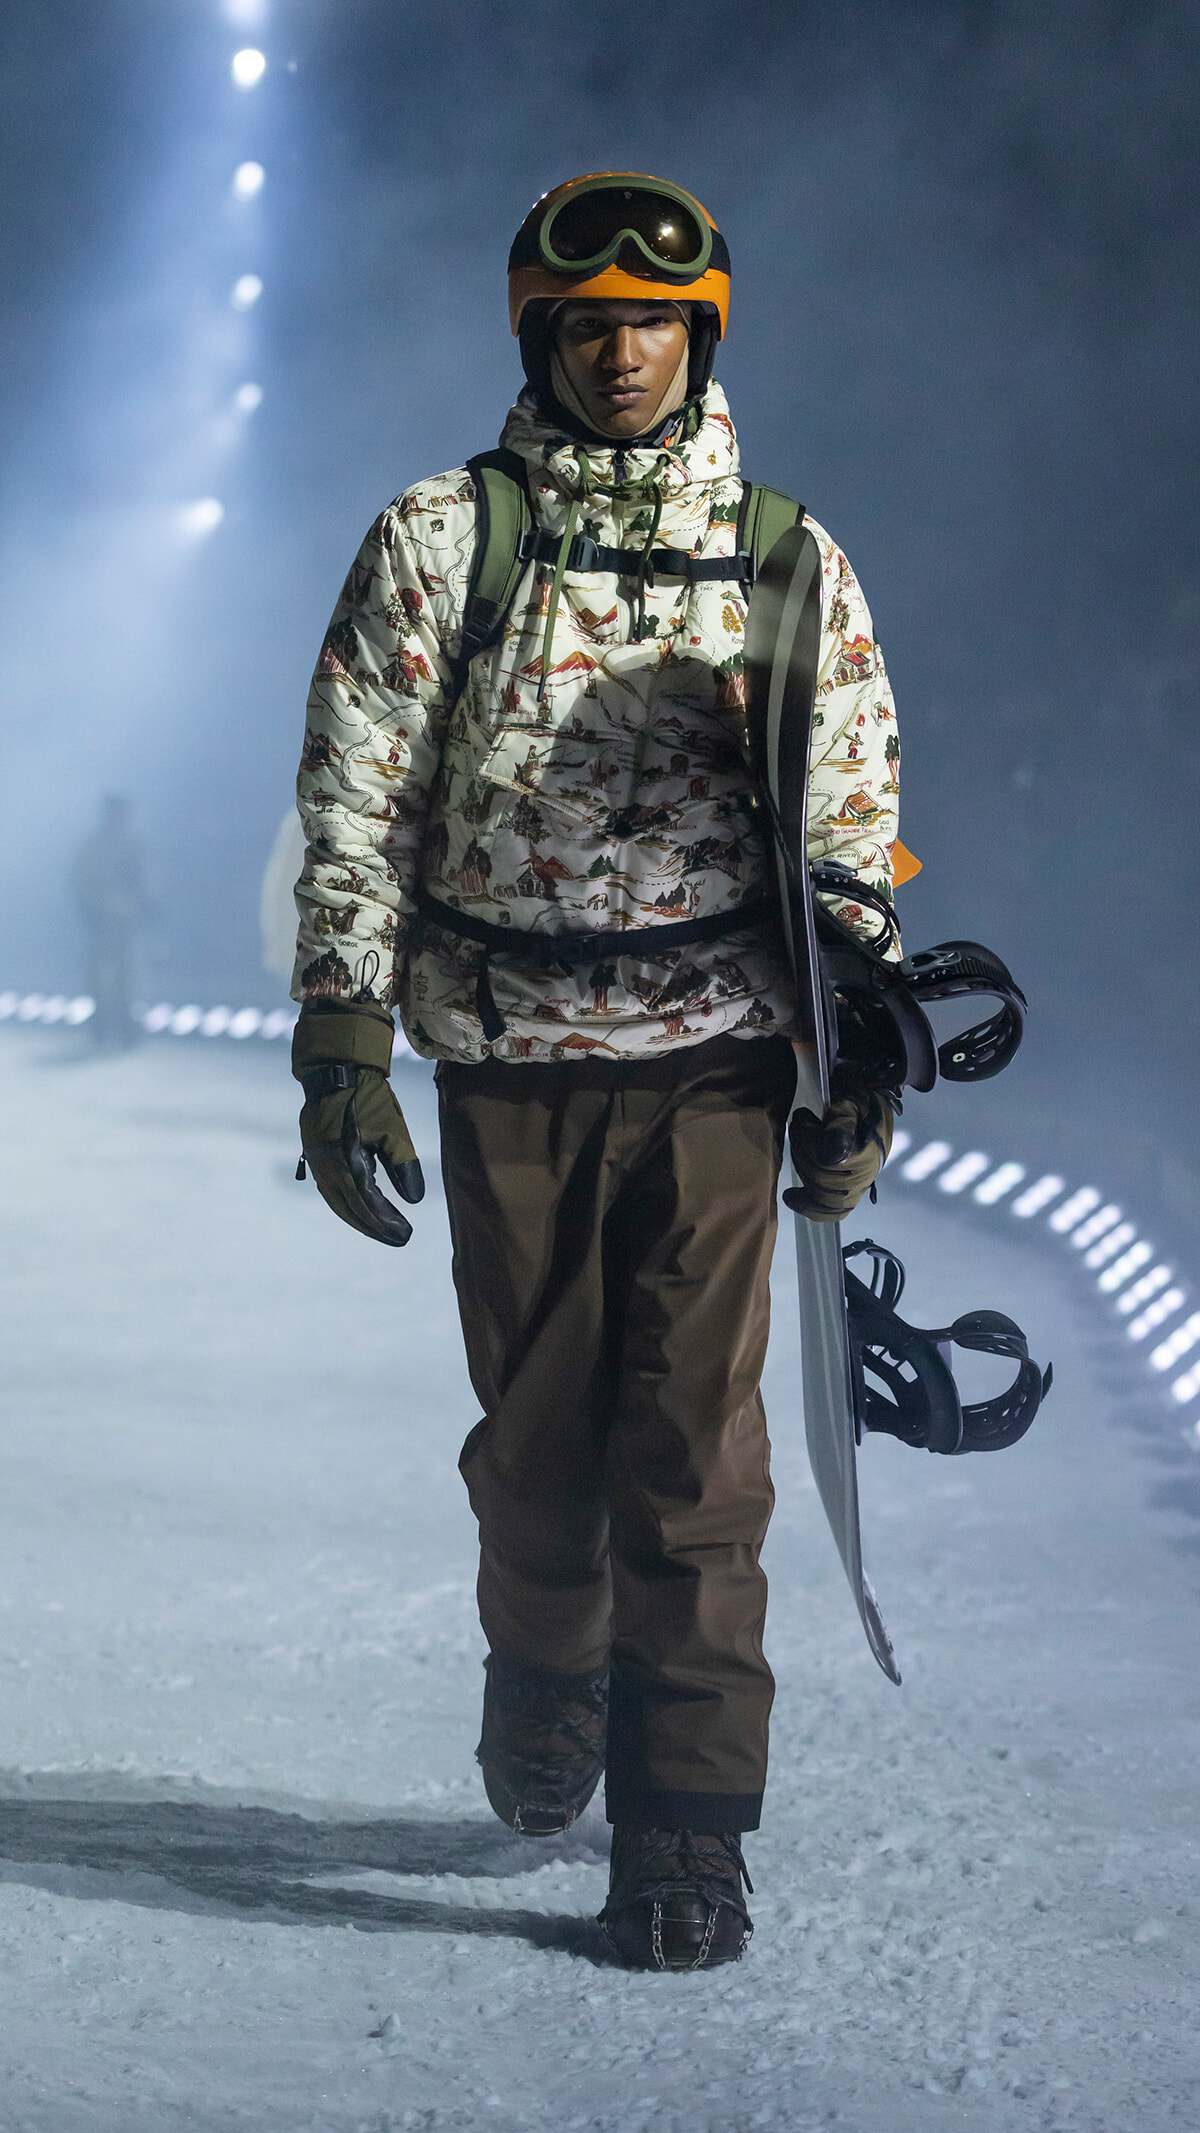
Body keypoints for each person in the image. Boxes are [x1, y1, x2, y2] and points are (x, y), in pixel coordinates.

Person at [290, 174, 899, 1971]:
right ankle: (544, 1662)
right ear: (538, 337)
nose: (620, 349)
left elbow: (849, 826)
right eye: (585, 321)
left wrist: (851, 1047)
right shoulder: (444, 539)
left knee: (694, 1459)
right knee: (543, 1451)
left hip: (714, 1057)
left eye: (653, 319)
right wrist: (343, 1035)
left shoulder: (785, 558)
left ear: (698, 334)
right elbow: (358, 791)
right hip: (505, 1058)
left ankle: (687, 1834)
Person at [70, 793, 149, 1052]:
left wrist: (134, 906)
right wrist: (104, 905)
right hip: (101, 925)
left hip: (128, 926)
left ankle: (126, 1029)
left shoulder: (135, 845)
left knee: (128, 979)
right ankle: (101, 1030)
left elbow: (149, 883)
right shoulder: (93, 847)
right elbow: (83, 883)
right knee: (100, 980)